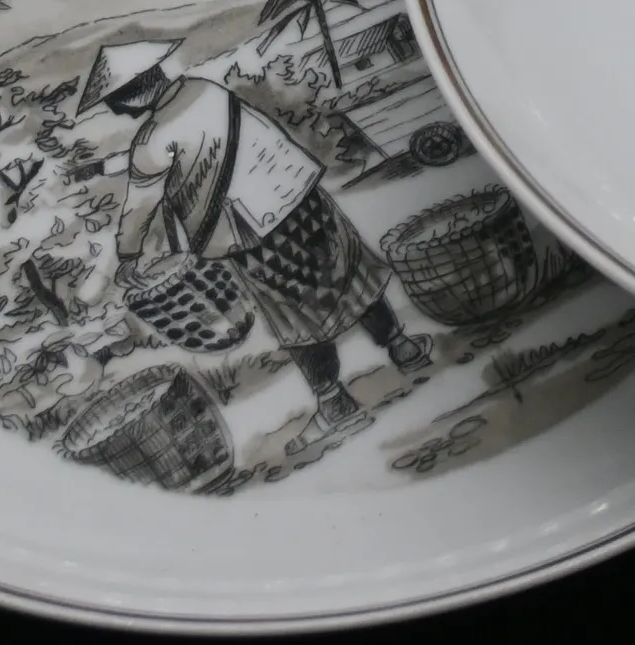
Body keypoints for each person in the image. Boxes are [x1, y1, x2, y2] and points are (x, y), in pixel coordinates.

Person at [77, 32, 435, 460]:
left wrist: (128, 254)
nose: (116, 110)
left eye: (115, 102)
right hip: (300, 196)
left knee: (295, 311)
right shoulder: (205, 90)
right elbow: (189, 140)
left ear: (129, 97)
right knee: (348, 271)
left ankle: (335, 404)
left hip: (254, 233)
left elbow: (141, 202)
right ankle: (403, 347)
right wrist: (113, 165)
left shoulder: (150, 141)